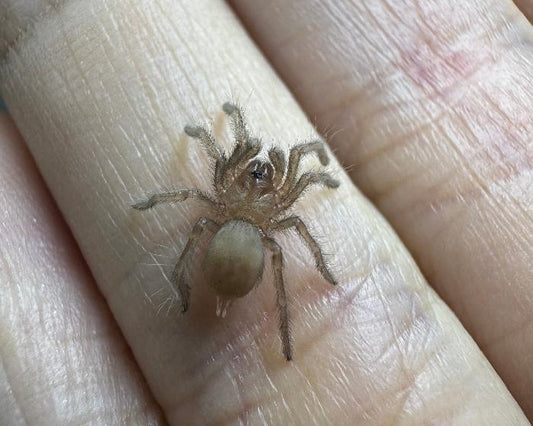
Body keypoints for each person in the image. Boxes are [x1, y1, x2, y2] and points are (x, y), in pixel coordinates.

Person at [0, 0, 531, 424]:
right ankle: (254, 319)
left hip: (232, 236)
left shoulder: (225, 199)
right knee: (264, 234)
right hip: (247, 240)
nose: (258, 171)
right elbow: (235, 147)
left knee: (204, 217)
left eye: (261, 173)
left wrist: (296, 161)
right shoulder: (279, 211)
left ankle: (208, 296)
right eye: (254, 170)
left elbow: (236, 155)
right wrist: (280, 156)